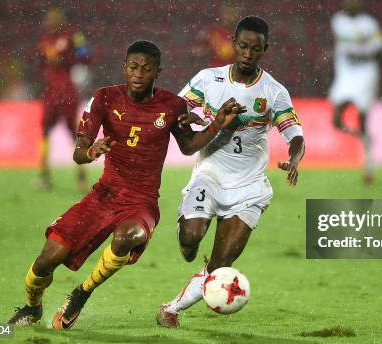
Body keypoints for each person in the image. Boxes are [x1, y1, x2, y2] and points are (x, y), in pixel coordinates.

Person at [7, 40, 244, 330]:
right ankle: (32, 308)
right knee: (46, 260)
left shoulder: (172, 105)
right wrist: (91, 151)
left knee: (126, 237)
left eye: (147, 69)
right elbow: (78, 152)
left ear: (158, 72)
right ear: (124, 67)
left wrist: (216, 124)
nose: (138, 74)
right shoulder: (104, 98)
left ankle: (81, 294)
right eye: (133, 67)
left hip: (141, 202)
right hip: (102, 195)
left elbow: (188, 147)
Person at [156, 16, 305, 328]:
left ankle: (170, 309)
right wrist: (188, 120)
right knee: (190, 240)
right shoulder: (208, 79)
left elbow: (296, 136)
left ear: (266, 49)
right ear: (233, 44)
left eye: (256, 48)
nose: (248, 53)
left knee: (222, 263)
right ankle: (186, 232)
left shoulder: (274, 92)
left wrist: (294, 159)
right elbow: (179, 109)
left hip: (249, 188)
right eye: (243, 46)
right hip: (209, 176)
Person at [329, 0, 382, 185]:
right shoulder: (338, 20)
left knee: (362, 118)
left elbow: (380, 49)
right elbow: (339, 44)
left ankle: (368, 166)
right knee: (336, 120)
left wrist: (362, 52)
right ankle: (364, 137)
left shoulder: (369, 23)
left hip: (365, 72)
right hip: (346, 72)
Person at [37, 7, 91, 192]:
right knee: (45, 131)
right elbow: (40, 64)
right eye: (49, 17)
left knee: (72, 134)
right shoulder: (45, 39)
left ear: (60, 18)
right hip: (53, 92)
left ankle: (81, 177)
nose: (50, 20)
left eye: (54, 16)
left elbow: (86, 55)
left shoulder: (72, 36)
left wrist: (71, 58)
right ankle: (44, 176)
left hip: (66, 92)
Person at [191, 2, 239, 67]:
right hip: (215, 71)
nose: (229, 16)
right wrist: (205, 50)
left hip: (234, 73)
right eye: (227, 13)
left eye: (232, 13)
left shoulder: (242, 33)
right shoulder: (212, 31)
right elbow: (194, 51)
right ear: (221, 12)